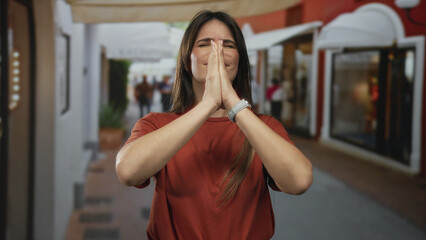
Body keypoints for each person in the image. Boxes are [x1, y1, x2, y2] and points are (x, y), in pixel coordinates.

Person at [116, 10, 312, 240]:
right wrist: (208, 103)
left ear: (239, 60)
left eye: (228, 44)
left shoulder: (263, 127)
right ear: (188, 60)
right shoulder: (156, 124)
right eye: (205, 43)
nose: (217, 51)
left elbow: (299, 181)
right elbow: (127, 172)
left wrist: (233, 103)